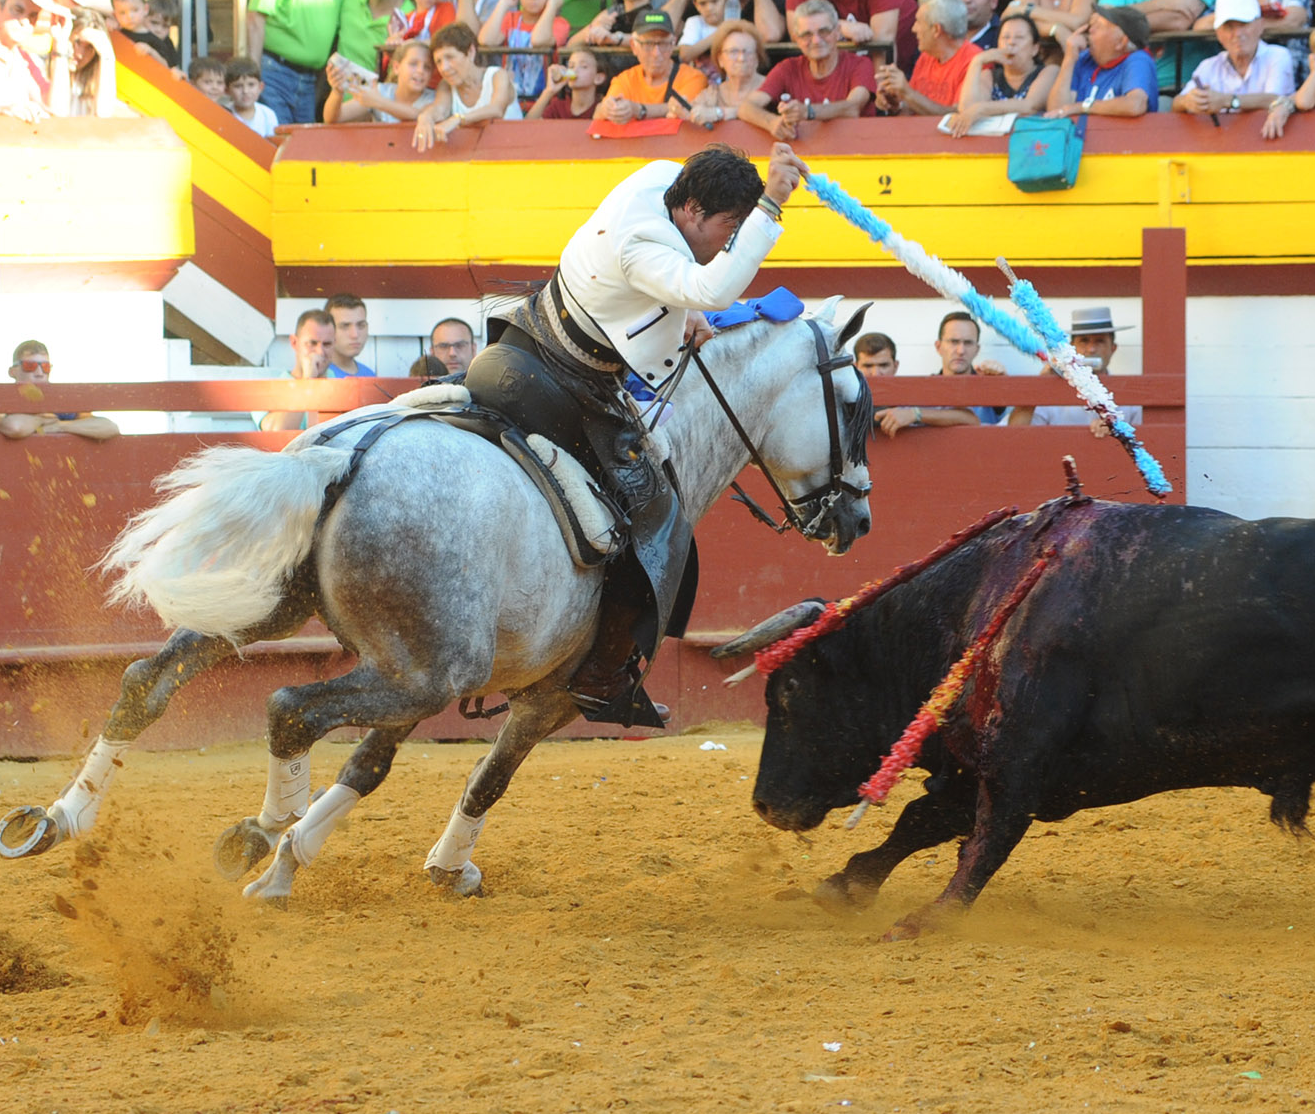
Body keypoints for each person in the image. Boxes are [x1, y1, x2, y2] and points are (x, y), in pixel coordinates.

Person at [455, 141, 809, 727]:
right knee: (656, 513)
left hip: (527, 341)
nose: (728, 243)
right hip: (566, 387)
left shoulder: (660, 179)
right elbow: (712, 290)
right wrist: (771, 205)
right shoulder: (646, 243)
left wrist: (682, 309)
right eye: (728, 227)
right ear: (692, 210)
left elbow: (688, 288)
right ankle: (599, 676)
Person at [742, 0, 874, 138]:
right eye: (807, 35)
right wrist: (772, 122)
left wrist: (808, 112)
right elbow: (747, 107)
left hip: (854, 149)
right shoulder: (788, 68)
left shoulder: (860, 65)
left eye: (823, 31)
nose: (816, 41)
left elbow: (853, 107)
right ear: (796, 39)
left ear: (838, 32)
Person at [1171, 0, 1295, 122]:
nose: (1237, 34)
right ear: (1218, 34)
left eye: (1243, 24)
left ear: (1260, 25)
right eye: (1229, 27)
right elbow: (1177, 103)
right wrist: (1189, 101)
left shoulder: (1278, 56)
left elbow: (1277, 99)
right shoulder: (1208, 66)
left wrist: (1228, 100)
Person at [877, 310, 1007, 434]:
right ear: (938, 347)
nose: (961, 350)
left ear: (977, 349)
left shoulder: (989, 384)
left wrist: (1002, 378)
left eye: (968, 343)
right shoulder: (921, 390)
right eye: (953, 342)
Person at [1010, 306, 1137, 432]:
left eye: (1099, 341)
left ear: (1113, 348)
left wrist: (1116, 431)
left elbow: (1146, 441)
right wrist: (1040, 385)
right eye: (1084, 341)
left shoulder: (1130, 394)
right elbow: (1014, 433)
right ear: (1072, 348)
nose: (1091, 349)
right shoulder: (1052, 393)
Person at [946, 10, 1059, 134]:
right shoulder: (989, 76)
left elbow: (1029, 106)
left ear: (1035, 49)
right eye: (1005, 37)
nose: (1011, 42)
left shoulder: (1049, 71)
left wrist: (981, 108)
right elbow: (967, 109)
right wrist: (977, 62)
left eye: (1019, 37)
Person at [876, 0, 981, 115]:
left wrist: (908, 92)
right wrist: (895, 103)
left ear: (936, 29)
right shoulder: (927, 56)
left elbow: (959, 115)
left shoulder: (975, 61)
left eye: (919, 22)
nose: (914, 29)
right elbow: (913, 109)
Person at [414, 22, 519, 150]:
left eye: (450, 57)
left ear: (470, 52)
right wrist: (425, 117)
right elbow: (439, 109)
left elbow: (496, 109)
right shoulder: (446, 85)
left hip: (513, 152)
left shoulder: (497, 75)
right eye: (439, 61)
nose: (444, 68)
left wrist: (458, 119)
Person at [1045, 4, 1156, 117]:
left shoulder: (1138, 59)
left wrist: (1082, 107)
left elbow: (1135, 105)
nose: (1090, 30)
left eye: (1099, 26)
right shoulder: (1084, 58)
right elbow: (1056, 111)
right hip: (1079, 133)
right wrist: (1069, 59)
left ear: (1121, 42)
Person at [0, 341, 121, 441]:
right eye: (30, 366)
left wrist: (59, 426)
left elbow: (110, 428)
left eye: (45, 367)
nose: (39, 373)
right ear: (12, 372)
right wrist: (41, 419)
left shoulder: (62, 400)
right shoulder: (2, 400)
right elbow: (15, 428)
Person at [598, 11, 707, 123]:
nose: (656, 53)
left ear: (673, 44)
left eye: (663, 43)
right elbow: (601, 111)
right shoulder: (625, 80)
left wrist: (639, 110)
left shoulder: (692, 77)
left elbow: (685, 107)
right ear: (633, 46)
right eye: (648, 44)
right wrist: (609, 109)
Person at [261, 309, 336, 432]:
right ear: (294, 343)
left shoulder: (342, 382)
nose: (320, 352)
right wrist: (308, 380)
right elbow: (279, 430)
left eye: (327, 344)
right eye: (312, 343)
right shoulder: (269, 390)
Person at [689, 19, 768, 126]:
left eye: (748, 52)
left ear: (757, 58)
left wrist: (719, 113)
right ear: (720, 59)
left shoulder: (771, 88)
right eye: (733, 52)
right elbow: (693, 112)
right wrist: (679, 110)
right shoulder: (713, 94)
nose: (741, 58)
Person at [224, 55, 277, 136]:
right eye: (238, 86)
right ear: (227, 90)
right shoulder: (224, 114)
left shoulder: (268, 115)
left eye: (251, 85)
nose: (245, 91)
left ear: (260, 87)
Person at [324, 294, 374, 377]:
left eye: (361, 325)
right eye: (345, 326)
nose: (355, 335)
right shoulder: (319, 376)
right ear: (326, 330)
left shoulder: (369, 375)